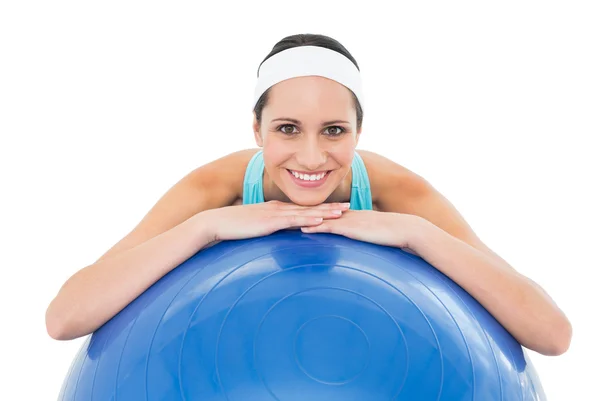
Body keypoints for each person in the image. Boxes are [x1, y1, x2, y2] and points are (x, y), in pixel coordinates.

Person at [45, 33, 571, 356]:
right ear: (256, 129)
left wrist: (415, 233)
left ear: (360, 132)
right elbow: (65, 317)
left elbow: (551, 333)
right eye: (288, 129)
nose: (313, 157)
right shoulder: (212, 189)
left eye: (335, 130)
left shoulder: (401, 193)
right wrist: (204, 227)